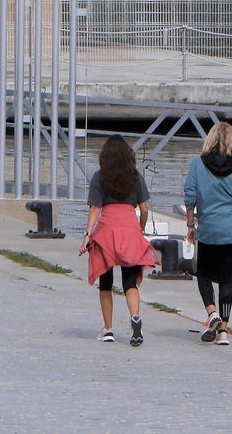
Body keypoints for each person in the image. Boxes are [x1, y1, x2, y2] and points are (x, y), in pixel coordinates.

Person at [183, 121, 232, 347]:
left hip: (209, 230)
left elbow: (190, 196)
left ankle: (211, 313)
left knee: (203, 273)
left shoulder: (198, 164)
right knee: (227, 278)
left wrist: (190, 225)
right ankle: (223, 331)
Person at [81, 135, 157, 346]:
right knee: (130, 282)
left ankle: (108, 329)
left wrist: (88, 235)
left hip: (107, 232)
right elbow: (144, 208)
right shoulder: (136, 177)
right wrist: (139, 229)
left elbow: (95, 208)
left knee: (105, 283)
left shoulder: (99, 177)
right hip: (129, 229)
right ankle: (135, 317)